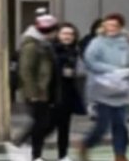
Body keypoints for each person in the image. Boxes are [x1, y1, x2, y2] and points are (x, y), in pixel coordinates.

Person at [78, 13, 129, 161]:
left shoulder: (125, 44)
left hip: (120, 88)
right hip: (101, 88)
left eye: (115, 26)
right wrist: (111, 70)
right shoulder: (97, 43)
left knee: (120, 124)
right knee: (102, 125)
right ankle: (86, 144)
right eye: (108, 25)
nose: (111, 28)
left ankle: (120, 154)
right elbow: (90, 61)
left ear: (120, 27)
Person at [7, 14, 60, 161]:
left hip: (44, 90)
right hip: (37, 92)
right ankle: (26, 148)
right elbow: (26, 70)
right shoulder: (32, 45)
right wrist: (33, 92)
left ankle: (32, 151)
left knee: (44, 123)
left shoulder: (44, 44)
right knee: (41, 123)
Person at [52, 23, 85, 161]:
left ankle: (63, 155)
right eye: (64, 34)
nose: (67, 37)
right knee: (46, 126)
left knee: (64, 127)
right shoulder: (52, 50)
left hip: (68, 93)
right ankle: (33, 151)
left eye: (70, 34)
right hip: (53, 93)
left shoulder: (75, 51)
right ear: (58, 35)